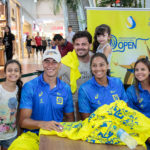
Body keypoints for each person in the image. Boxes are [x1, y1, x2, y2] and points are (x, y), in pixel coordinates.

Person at [9, 49, 74, 149]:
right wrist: (43, 124)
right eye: (47, 61)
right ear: (42, 63)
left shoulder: (66, 88)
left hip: (56, 135)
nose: (50, 65)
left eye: (54, 62)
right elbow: (23, 121)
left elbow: (70, 118)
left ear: (60, 65)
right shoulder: (30, 86)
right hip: (32, 136)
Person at [78, 53, 128, 120]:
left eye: (101, 65)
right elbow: (86, 120)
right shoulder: (84, 89)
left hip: (120, 126)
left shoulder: (117, 82)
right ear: (91, 68)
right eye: (94, 66)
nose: (98, 69)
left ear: (107, 66)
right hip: (98, 128)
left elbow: (126, 109)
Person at [58, 31, 93, 121]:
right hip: (72, 104)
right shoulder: (67, 62)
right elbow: (50, 77)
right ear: (73, 46)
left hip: (92, 101)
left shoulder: (95, 59)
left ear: (90, 45)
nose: (80, 47)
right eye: (77, 44)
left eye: (84, 44)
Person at [126, 57, 150, 150]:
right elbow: (131, 117)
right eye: (136, 70)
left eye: (143, 69)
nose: (139, 72)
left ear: (149, 71)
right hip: (141, 132)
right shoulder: (131, 91)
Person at [0, 60, 23, 150]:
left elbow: (19, 114)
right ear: (5, 73)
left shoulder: (20, 91)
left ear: (20, 74)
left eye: (16, 70)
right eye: (9, 70)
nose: (13, 73)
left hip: (10, 135)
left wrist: (18, 131)